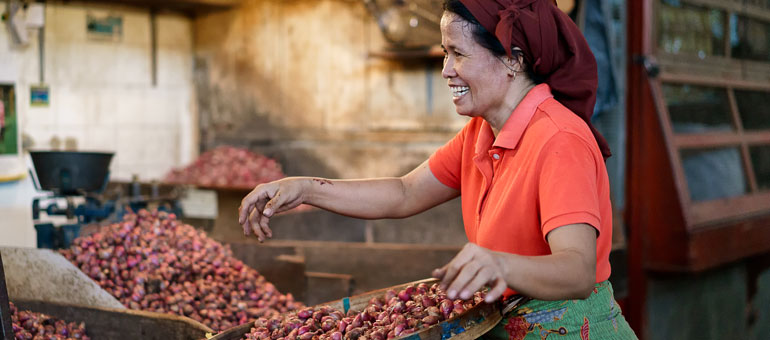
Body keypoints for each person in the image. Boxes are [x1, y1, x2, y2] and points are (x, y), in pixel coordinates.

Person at [238, 0, 636, 338]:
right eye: (445, 53)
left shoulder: (559, 139)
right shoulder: (482, 131)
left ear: (512, 60)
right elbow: (405, 192)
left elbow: (577, 270)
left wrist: (499, 264)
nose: (446, 70)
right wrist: (305, 188)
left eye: (458, 54)